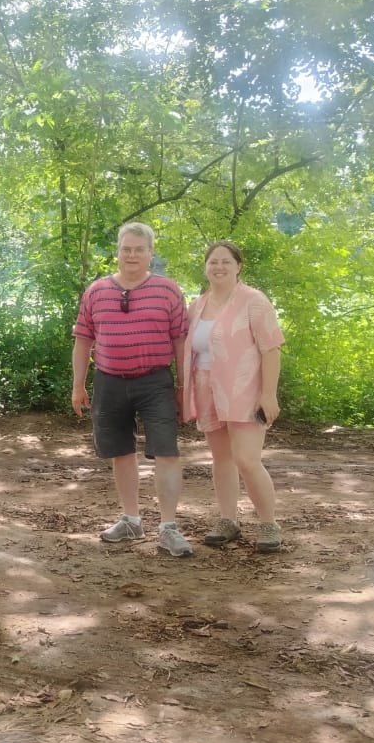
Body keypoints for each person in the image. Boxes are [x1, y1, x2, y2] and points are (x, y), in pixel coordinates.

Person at [72, 222, 192, 557]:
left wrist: (184, 387)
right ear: (118, 252)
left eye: (140, 249)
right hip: (109, 381)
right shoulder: (96, 292)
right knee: (120, 452)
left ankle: (168, 528)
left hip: (156, 381)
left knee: (167, 452)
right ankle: (131, 519)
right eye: (126, 249)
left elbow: (180, 340)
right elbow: (83, 339)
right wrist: (78, 385)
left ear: (151, 253)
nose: (132, 255)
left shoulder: (168, 291)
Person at [182, 240, 286, 552]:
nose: (219, 267)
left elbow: (271, 349)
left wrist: (269, 395)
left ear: (238, 266)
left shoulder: (254, 301)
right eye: (213, 261)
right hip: (206, 389)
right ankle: (228, 520)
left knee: (247, 459)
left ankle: (269, 524)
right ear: (205, 267)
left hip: (245, 390)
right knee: (221, 459)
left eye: (226, 261)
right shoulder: (197, 305)